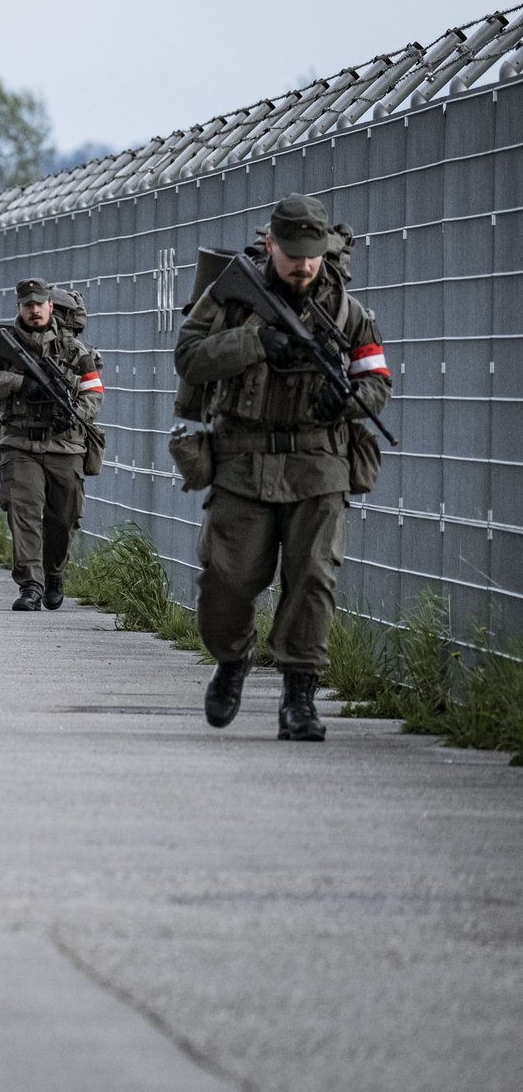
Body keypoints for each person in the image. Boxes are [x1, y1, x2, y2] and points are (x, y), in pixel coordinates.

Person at [175, 194, 391, 740]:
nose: (303, 264)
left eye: (312, 254)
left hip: (319, 461)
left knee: (313, 580)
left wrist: (345, 401)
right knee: (226, 580)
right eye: (292, 252)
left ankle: (299, 698)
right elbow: (189, 356)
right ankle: (232, 661)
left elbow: (376, 380)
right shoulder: (231, 297)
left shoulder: (349, 311)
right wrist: (254, 342)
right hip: (242, 459)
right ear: (270, 244)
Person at [0, 278, 103, 612]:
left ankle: (53, 573)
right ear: (19, 308)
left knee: (64, 517)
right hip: (20, 443)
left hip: (65, 445)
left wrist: (73, 415)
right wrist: (20, 384)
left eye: (39, 304)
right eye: (27, 305)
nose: (34, 310)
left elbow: (93, 390)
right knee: (24, 512)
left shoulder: (73, 349)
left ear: (50, 306)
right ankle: (31, 584)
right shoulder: (4, 344)